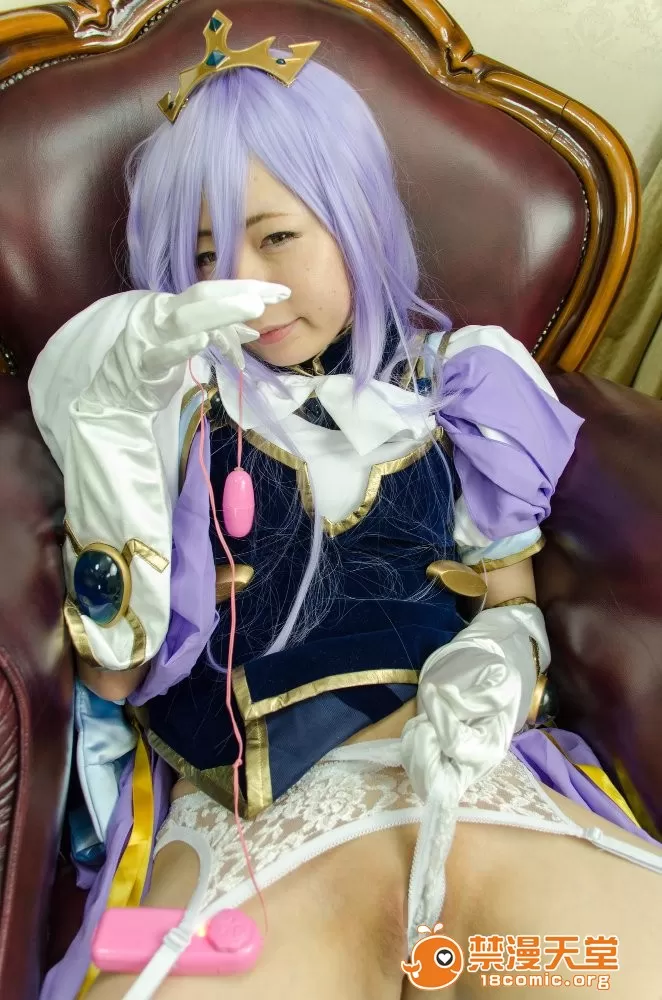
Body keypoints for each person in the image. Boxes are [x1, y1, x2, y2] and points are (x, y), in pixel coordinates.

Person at [28, 13, 662, 1000]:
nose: (246, 284)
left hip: (468, 795)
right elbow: (114, 671)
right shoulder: (165, 394)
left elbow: (511, 603)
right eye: (204, 255)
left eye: (277, 235)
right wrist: (120, 437)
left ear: (353, 218)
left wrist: (500, 660)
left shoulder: (463, 387)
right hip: (256, 834)